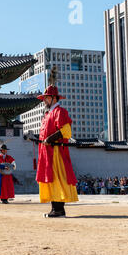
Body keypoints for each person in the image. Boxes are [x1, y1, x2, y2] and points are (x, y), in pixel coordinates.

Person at [36, 79, 79, 218]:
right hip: (47, 152)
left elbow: (66, 131)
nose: (44, 101)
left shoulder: (60, 111)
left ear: (54, 98)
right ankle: (55, 208)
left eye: (46, 98)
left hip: (56, 152)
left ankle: (59, 209)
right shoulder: (48, 114)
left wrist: (49, 139)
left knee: (57, 178)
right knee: (50, 178)